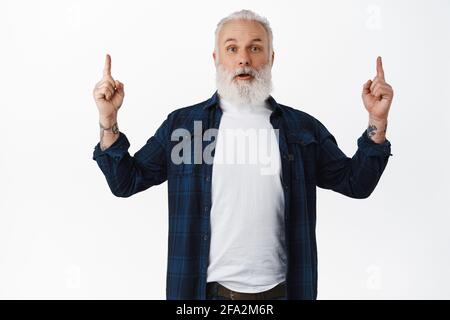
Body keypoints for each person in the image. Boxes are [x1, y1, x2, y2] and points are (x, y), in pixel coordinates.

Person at [92, 9, 393, 300]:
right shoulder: (183, 127)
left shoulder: (301, 130)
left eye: (255, 48)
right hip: (202, 294)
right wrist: (108, 122)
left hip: (284, 292)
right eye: (232, 48)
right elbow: (126, 182)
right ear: (216, 59)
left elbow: (356, 183)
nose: (244, 59)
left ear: (271, 58)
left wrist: (376, 123)